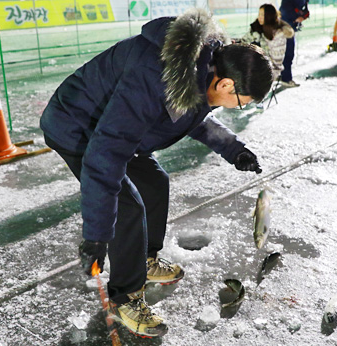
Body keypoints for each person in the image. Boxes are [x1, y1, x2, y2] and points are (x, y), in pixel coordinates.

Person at [39, 8, 273, 338]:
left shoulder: (203, 67)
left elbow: (194, 115)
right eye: (243, 101)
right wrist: (96, 236)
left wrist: (235, 149)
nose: (240, 107)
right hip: (77, 126)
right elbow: (105, 155)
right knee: (128, 207)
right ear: (226, 83)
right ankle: (125, 297)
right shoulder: (157, 77)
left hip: (117, 127)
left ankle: (143, 259)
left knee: (154, 181)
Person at [241, 4, 295, 81]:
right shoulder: (256, 27)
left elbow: (276, 62)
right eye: (259, 14)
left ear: (269, 16)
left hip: (269, 70)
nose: (259, 17)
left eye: (262, 15)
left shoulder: (278, 34)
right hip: (255, 65)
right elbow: (244, 41)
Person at [279, 0, 309, 87]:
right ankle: (286, 78)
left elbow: (305, 10)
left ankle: (283, 75)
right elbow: (287, 11)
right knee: (288, 53)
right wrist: (297, 17)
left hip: (290, 27)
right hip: (285, 27)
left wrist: (303, 16)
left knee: (288, 53)